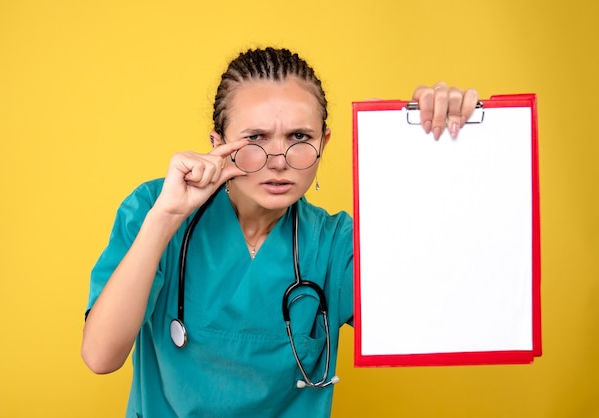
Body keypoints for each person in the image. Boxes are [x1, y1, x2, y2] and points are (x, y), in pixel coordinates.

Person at [81, 47, 479, 417]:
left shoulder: (337, 245)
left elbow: (442, 314)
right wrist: (167, 216)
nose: (278, 161)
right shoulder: (155, 208)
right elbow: (101, 357)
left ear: (324, 143)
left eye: (299, 138)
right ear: (218, 144)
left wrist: (438, 152)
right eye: (255, 138)